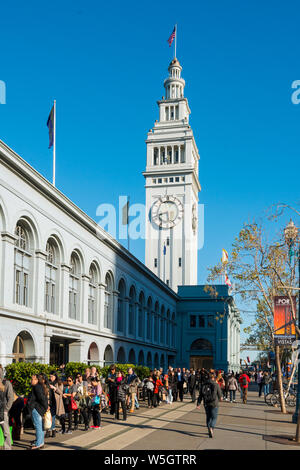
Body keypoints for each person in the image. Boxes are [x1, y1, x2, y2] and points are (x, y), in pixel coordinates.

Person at [197, 372, 222, 438]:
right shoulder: (216, 384)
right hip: (214, 403)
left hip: (206, 403)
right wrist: (220, 398)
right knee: (214, 417)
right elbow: (220, 395)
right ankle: (211, 428)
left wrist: (198, 403)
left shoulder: (203, 384)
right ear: (213, 377)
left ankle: (209, 429)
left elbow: (200, 395)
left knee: (208, 417)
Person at [27, 374, 48, 450]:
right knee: (40, 426)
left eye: (32, 379)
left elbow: (42, 398)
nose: (31, 380)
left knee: (38, 426)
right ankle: (40, 442)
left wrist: (45, 407)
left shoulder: (37, 387)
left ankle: (39, 444)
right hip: (39, 409)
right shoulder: (39, 386)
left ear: (36, 380)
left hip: (36, 409)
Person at [0, 377, 14, 450]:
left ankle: (7, 448)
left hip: (2, 412)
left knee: (6, 432)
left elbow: (11, 398)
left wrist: (6, 410)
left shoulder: (6, 383)